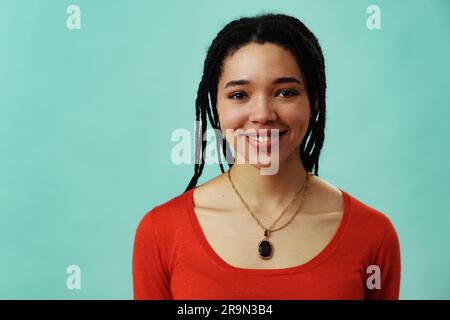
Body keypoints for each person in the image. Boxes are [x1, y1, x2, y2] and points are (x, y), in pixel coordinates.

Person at [132, 13, 401, 300]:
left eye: (285, 92)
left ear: (314, 102)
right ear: (216, 104)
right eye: (239, 95)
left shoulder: (373, 234)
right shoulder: (160, 232)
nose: (262, 115)